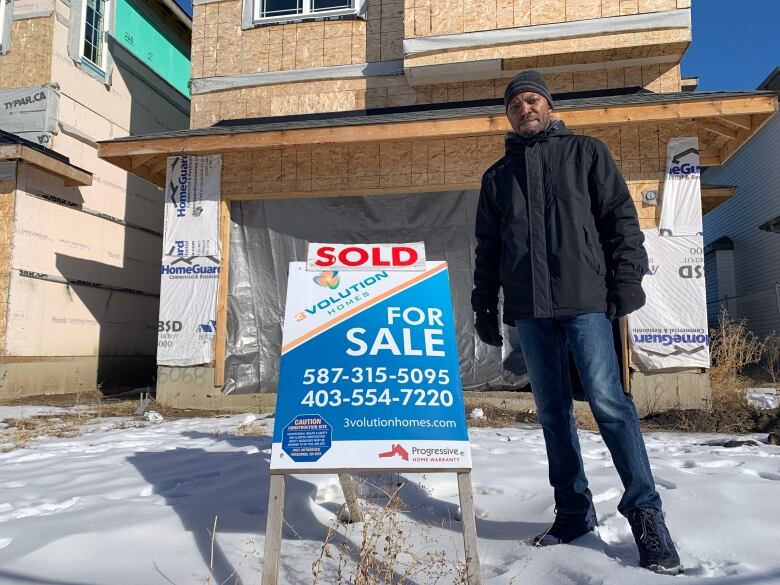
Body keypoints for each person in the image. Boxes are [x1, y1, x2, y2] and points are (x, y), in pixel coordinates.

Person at [471, 70, 683, 575]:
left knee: (610, 404)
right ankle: (573, 510)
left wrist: (627, 282)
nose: (525, 109)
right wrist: (484, 306)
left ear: (548, 105)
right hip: (530, 311)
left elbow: (620, 221)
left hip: (586, 302)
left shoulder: (587, 153)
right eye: (515, 104)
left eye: (532, 100)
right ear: (508, 115)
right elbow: (489, 250)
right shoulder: (498, 178)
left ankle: (646, 515)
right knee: (552, 413)